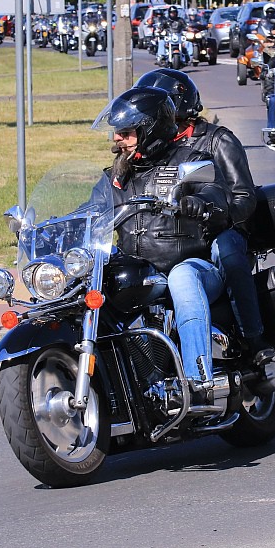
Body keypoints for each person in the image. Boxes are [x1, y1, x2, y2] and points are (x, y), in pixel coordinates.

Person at [92, 86, 235, 399]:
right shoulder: (115, 178)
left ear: (149, 131)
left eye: (126, 133)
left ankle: (199, 380)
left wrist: (200, 203)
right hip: (142, 273)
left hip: (195, 267)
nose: (118, 140)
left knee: (182, 277)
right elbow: (88, 213)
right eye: (117, 133)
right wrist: (51, 228)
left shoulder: (191, 161)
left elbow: (215, 193)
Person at [135, 69, 275, 368]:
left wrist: (216, 216)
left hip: (220, 226)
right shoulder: (154, 147)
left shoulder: (216, 140)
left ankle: (253, 336)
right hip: (174, 233)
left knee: (226, 250)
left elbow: (244, 196)